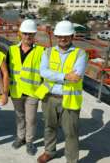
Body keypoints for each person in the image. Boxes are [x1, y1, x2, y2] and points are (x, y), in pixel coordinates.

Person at [36, 20, 88, 163]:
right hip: (49, 97)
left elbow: (76, 77)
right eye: (59, 36)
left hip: (69, 98)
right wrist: (65, 76)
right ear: (56, 36)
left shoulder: (80, 54)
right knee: (49, 127)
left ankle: (71, 160)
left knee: (71, 132)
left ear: (72, 36)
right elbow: (43, 72)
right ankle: (49, 152)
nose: (62, 39)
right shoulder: (48, 52)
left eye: (66, 36)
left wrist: (54, 75)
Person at [7, 19, 44, 155]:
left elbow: (45, 74)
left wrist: (41, 92)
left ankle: (29, 141)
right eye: (25, 33)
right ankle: (20, 137)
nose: (28, 36)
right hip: (16, 90)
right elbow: (6, 72)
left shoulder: (41, 51)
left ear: (34, 35)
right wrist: (4, 91)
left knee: (31, 118)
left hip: (33, 92)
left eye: (31, 34)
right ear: (20, 34)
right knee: (19, 116)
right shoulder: (11, 50)